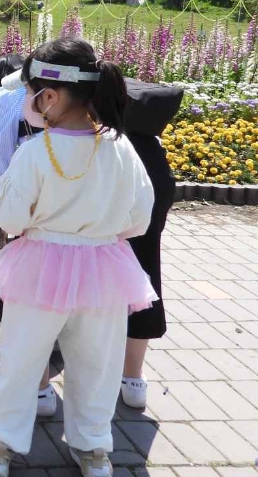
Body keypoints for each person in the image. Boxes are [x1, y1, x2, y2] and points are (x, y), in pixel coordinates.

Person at [0, 37, 155, 477]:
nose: (28, 103)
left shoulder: (36, 151)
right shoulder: (120, 147)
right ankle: (93, 448)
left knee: (20, 358)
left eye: (31, 93)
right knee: (98, 362)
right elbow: (140, 215)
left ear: (49, 97)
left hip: (38, 267)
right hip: (104, 269)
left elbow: (8, 214)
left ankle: (0, 446)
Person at [0, 53, 57, 417]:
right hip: (94, 250)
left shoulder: (4, 104)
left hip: (28, 227)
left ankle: (30, 388)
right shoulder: (104, 137)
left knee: (25, 303)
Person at [120, 79, 183, 409]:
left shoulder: (117, 151)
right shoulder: (155, 155)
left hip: (109, 249)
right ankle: (133, 378)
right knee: (145, 295)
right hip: (146, 247)